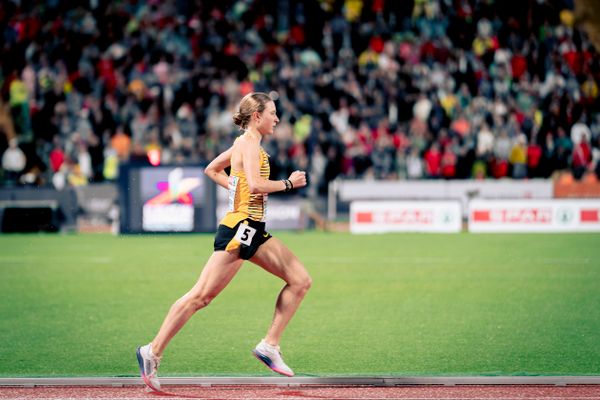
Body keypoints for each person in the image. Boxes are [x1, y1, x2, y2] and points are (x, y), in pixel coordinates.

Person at [136, 92, 311, 391]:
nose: (277, 119)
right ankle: (151, 351)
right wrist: (288, 184)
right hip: (240, 228)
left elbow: (212, 170)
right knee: (201, 296)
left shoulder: (242, 143)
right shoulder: (249, 143)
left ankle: (270, 345)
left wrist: (236, 186)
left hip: (252, 228)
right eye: (272, 113)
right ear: (257, 116)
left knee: (300, 280)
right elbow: (255, 185)